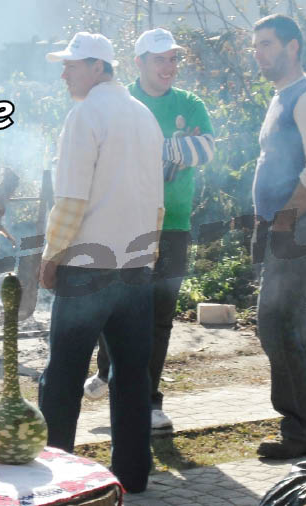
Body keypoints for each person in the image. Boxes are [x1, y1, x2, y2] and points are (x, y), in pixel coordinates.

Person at [38, 32, 164, 493]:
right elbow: (157, 200)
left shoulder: (85, 114)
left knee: (64, 376)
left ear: (98, 67)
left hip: (88, 268)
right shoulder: (144, 115)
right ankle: (133, 475)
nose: (63, 73)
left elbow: (71, 199)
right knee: (132, 377)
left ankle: (54, 479)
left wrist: (52, 255)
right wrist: (150, 253)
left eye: (71, 65)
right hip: (135, 267)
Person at [83, 28, 216, 432]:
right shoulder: (121, 102)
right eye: (160, 59)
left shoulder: (190, 104)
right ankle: (107, 370)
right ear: (138, 62)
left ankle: (149, 402)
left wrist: (153, 149)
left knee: (159, 318)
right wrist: (175, 147)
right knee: (116, 310)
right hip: (124, 224)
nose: (169, 67)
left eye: (173, 59)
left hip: (173, 226)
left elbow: (205, 150)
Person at [250, 14, 306, 459]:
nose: (259, 54)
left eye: (267, 44)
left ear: (293, 46)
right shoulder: (282, 96)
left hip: (300, 226)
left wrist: (282, 221)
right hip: (285, 225)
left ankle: (301, 430)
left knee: (275, 323)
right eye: (256, 46)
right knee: (291, 325)